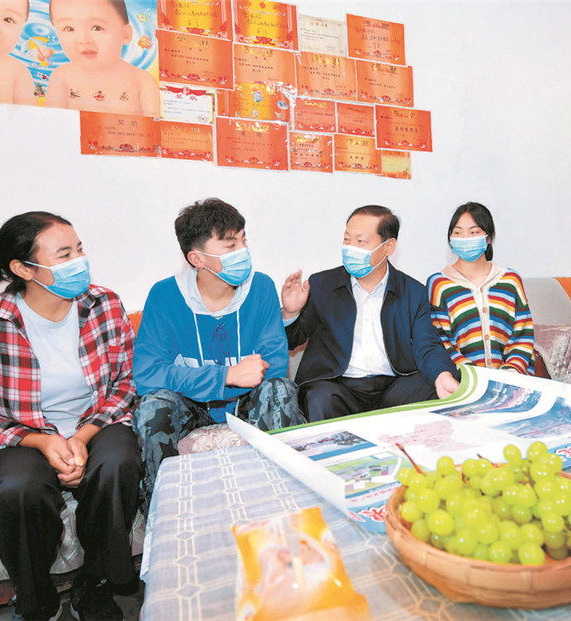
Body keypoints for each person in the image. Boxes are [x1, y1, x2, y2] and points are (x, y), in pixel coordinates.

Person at [0, 212, 141, 621]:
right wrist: (40, 440)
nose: (79, 262)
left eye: (80, 250)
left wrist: (82, 437)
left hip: (95, 421)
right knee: (18, 489)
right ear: (23, 269)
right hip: (23, 433)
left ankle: (96, 582)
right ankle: (36, 600)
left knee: (118, 462)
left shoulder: (104, 305)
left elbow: (126, 382)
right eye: (64, 255)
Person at [132, 198, 303, 510]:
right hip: (190, 406)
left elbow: (275, 365)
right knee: (154, 407)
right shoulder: (164, 295)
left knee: (279, 390)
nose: (243, 251)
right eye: (231, 245)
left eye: (243, 240)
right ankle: (167, 512)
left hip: (246, 403)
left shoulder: (261, 287)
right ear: (197, 258)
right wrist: (227, 376)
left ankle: (285, 502)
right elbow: (148, 374)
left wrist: (209, 379)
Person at [280, 205, 460, 422]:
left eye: (361, 242)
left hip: (394, 386)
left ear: (388, 247)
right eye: (347, 240)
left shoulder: (412, 292)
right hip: (337, 386)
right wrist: (290, 312)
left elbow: (427, 345)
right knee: (319, 399)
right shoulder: (322, 284)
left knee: (433, 386)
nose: (350, 248)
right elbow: (292, 340)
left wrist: (442, 375)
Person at [427, 202, 535, 375]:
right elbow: (440, 340)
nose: (465, 238)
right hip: (463, 380)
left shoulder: (510, 280)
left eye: (474, 232)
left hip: (512, 380)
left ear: (489, 237)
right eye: (458, 232)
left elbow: (523, 333)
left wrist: (511, 372)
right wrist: (472, 376)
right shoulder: (439, 285)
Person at [44, 0, 159, 116]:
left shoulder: (142, 82)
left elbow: (156, 122)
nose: (83, 40)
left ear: (126, 34)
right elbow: (51, 120)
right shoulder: (61, 77)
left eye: (97, 28)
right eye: (69, 28)